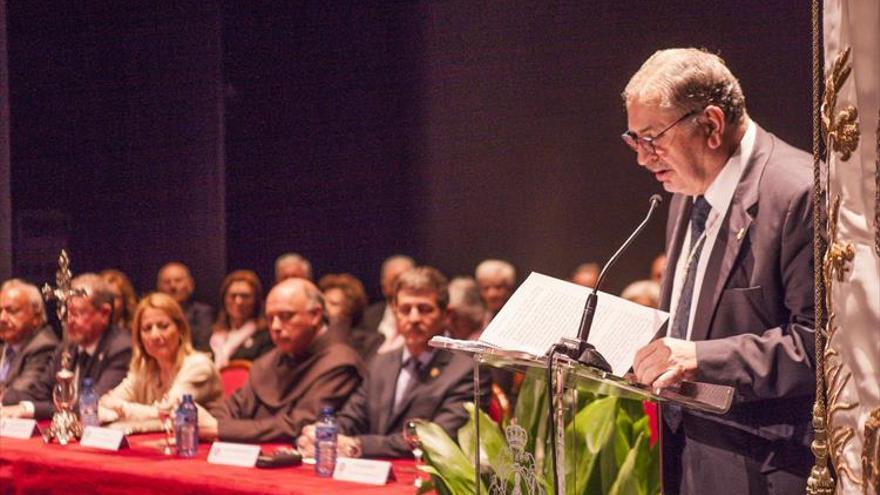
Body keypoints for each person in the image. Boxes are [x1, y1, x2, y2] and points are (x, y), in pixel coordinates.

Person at [625, 48, 815, 494]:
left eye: (652, 138)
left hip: (765, 466)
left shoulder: (798, 193)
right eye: (633, 139)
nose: (642, 157)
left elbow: (820, 347)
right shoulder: (684, 191)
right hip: (690, 456)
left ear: (710, 125)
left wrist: (701, 359)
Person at [298, 266, 489, 459]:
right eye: (405, 310)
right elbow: (352, 416)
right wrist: (323, 433)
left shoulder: (468, 370)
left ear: (446, 315)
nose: (413, 318)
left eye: (424, 309)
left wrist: (359, 445)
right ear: (395, 313)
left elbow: (437, 439)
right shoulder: (382, 362)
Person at [198, 278, 363, 443]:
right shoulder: (268, 361)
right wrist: (213, 425)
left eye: (286, 316)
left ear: (315, 315)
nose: (276, 326)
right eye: (270, 318)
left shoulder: (340, 362)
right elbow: (229, 408)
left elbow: (299, 425)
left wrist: (220, 429)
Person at [1, 274, 132, 420]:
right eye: (66, 312)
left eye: (77, 313)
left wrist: (28, 408)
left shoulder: (120, 348)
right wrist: (7, 399)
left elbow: (91, 405)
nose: (68, 320)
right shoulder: (68, 347)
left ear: (104, 313)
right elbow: (39, 392)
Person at [99, 293, 222, 432]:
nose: (155, 335)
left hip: (198, 448)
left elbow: (171, 412)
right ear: (140, 338)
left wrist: (124, 409)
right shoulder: (144, 367)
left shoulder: (198, 365)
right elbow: (108, 402)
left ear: (180, 329)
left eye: (163, 326)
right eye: (147, 329)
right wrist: (114, 406)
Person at [0, 280, 59, 403]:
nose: (2, 318)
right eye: (0, 311)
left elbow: (20, 394)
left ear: (36, 317)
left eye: (12, 311)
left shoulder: (44, 346)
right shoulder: (7, 344)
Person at [209, 270, 273, 369]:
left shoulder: (266, 337)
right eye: (233, 296)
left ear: (256, 300)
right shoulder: (211, 334)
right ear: (224, 299)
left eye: (245, 296)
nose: (238, 301)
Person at [317, 273, 382, 360]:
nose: (325, 308)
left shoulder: (370, 342)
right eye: (323, 302)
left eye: (333, 304)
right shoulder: (314, 340)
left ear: (350, 309)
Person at [361, 254, 415, 355]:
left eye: (406, 280)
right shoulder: (367, 317)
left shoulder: (422, 318)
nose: (400, 287)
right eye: (396, 281)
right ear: (384, 286)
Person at [156, 262, 214, 352]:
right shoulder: (153, 314)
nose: (173, 286)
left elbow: (203, 345)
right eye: (167, 282)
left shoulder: (202, 312)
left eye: (178, 281)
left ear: (190, 284)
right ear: (159, 287)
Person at [446, 276, 487, 341]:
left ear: (471, 317)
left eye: (455, 319)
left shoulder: (485, 339)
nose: (448, 323)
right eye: (447, 315)